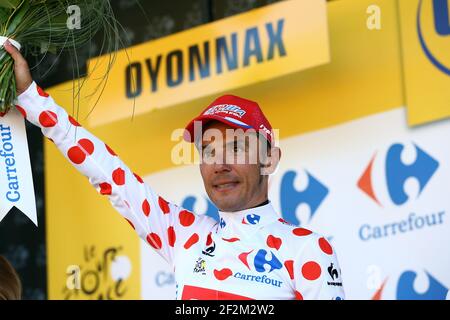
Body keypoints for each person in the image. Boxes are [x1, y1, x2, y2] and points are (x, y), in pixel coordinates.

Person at [3, 40, 345, 300]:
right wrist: (31, 99)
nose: (220, 164)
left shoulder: (306, 250)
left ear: (270, 159)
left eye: (237, 148)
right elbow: (108, 173)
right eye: (208, 151)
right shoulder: (186, 236)